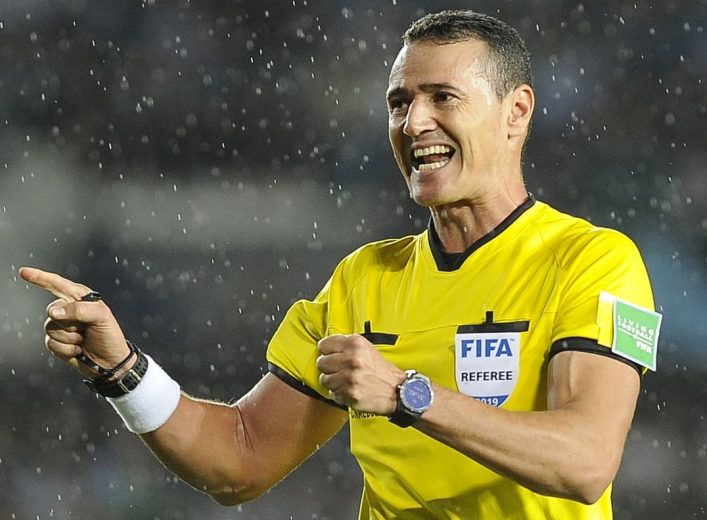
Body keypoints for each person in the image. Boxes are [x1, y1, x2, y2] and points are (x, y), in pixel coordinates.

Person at [19, 9, 661, 519]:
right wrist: (123, 371)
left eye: (442, 97)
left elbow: (585, 463)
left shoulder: (595, 261)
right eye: (399, 102)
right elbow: (240, 461)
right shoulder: (363, 279)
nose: (414, 122)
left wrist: (407, 394)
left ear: (516, 111)